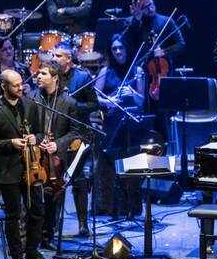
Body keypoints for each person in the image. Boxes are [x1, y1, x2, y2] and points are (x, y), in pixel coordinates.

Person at [0, 70, 54, 259]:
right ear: (4, 87)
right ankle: (17, 258)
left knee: (37, 211)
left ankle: (32, 252)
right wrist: (10, 143)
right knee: (13, 215)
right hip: (9, 170)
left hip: (32, 167)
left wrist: (35, 139)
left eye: (21, 84)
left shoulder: (29, 105)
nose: (21, 88)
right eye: (15, 85)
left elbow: (39, 133)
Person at [94, 34, 146, 218]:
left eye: (121, 48)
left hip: (131, 124)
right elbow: (96, 97)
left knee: (131, 165)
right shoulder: (105, 71)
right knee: (109, 166)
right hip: (112, 123)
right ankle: (109, 207)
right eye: (114, 49)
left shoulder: (137, 71)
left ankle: (131, 207)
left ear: (127, 49)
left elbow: (141, 102)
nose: (118, 52)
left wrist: (131, 91)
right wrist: (109, 101)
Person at [29, 61, 79, 246]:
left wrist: (57, 145)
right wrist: (37, 138)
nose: (38, 76)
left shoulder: (69, 103)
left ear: (55, 78)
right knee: (33, 198)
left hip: (56, 159)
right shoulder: (33, 98)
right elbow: (27, 127)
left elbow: (75, 131)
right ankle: (31, 236)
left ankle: (48, 235)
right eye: (38, 73)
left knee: (52, 198)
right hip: (35, 156)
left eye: (43, 73)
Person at [50, 41, 98, 235]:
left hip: (79, 134)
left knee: (78, 179)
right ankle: (52, 226)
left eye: (58, 56)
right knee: (56, 181)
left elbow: (94, 104)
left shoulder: (83, 77)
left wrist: (73, 105)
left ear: (68, 59)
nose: (54, 59)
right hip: (59, 135)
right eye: (53, 55)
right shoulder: (51, 77)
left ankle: (82, 224)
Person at [0, 37, 31, 104]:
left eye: (10, 48)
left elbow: (34, 91)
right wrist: (0, 98)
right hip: (0, 109)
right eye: (4, 50)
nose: (8, 51)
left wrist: (30, 90)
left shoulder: (24, 69)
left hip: (21, 108)